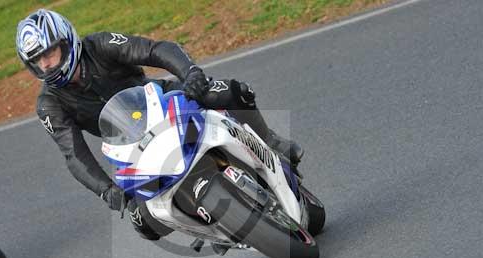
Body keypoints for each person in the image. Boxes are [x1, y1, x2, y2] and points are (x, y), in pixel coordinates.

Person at [16, 9, 303, 240]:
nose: (47, 64)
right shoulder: (48, 104)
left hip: (166, 101)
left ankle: (270, 142)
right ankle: (210, 226)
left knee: (230, 91)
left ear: (67, 41)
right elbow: (73, 154)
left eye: (50, 53)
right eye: (38, 60)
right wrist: (106, 189)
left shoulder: (100, 45)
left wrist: (190, 73)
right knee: (144, 223)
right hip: (131, 149)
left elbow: (155, 50)